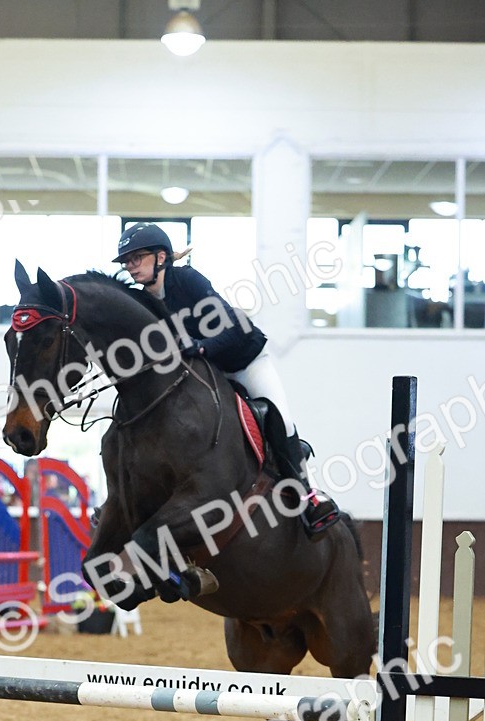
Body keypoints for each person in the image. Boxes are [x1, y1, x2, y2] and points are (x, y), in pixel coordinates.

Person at [113, 221, 340, 538]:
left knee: (280, 419)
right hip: (209, 372)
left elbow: (230, 329)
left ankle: (309, 496)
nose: (130, 266)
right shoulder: (144, 300)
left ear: (161, 257)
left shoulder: (187, 280)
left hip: (245, 361)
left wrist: (199, 346)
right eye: (127, 260)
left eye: (137, 257)